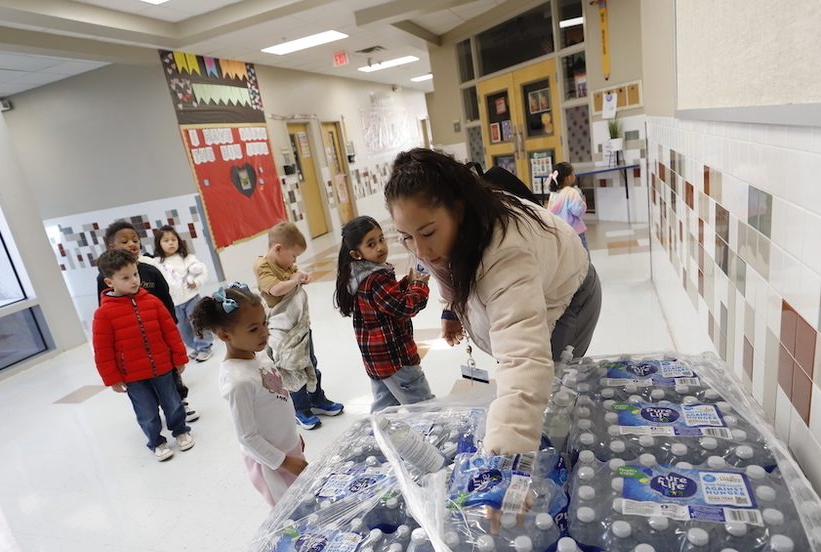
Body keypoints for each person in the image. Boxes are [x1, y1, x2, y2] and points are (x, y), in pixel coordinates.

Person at [385, 148, 602, 456]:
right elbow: (446, 269)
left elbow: (523, 361)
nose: (419, 250)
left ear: (458, 211)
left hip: (569, 294)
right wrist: (451, 309)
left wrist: (504, 457)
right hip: (536, 282)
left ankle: (558, 458)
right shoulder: (441, 227)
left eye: (427, 233)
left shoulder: (505, 253)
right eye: (406, 236)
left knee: (550, 396)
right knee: (534, 394)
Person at [191, 283, 308, 506]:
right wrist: (284, 461)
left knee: (304, 499)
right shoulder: (237, 380)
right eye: (253, 329)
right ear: (225, 336)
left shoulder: (259, 354)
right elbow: (246, 436)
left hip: (287, 448)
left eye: (264, 323)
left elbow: (277, 400)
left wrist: (293, 438)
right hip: (270, 463)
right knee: (288, 511)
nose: (264, 332)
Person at [92, 249, 194, 461]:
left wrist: (178, 357)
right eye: (125, 278)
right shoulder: (103, 314)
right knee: (146, 412)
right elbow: (102, 350)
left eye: (135, 274)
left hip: (163, 367)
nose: (134, 280)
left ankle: (181, 431)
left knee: (173, 403)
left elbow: (170, 332)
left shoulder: (153, 302)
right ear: (109, 282)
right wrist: (112, 378)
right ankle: (156, 442)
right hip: (133, 375)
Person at [96, 221, 198, 422]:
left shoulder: (150, 269)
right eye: (124, 241)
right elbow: (104, 307)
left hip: (156, 333)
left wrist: (171, 324)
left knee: (171, 377)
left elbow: (165, 299)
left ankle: (181, 403)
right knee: (145, 388)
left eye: (135, 240)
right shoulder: (104, 278)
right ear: (111, 247)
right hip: (131, 341)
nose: (131, 244)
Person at [334, 216, 433, 412]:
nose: (380, 247)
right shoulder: (376, 278)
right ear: (356, 254)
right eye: (371, 244)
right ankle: (429, 431)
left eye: (381, 239)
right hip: (395, 358)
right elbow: (404, 307)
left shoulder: (358, 274)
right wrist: (419, 286)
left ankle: (376, 430)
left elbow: (385, 301)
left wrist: (406, 283)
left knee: (385, 408)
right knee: (422, 406)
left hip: (376, 359)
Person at [254, 221, 344, 430]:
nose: (295, 261)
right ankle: (300, 409)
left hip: (301, 328)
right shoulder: (263, 266)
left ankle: (317, 399)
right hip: (283, 332)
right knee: (293, 368)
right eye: (294, 256)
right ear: (278, 248)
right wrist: (295, 279)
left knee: (310, 363)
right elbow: (275, 289)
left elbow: (295, 270)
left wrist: (302, 274)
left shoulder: (284, 263)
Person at [151, 225, 214, 362]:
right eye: (166, 240)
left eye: (173, 239)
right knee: (183, 329)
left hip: (191, 298)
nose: (171, 243)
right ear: (158, 244)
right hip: (173, 303)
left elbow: (203, 271)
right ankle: (195, 347)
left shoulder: (187, 258)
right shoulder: (156, 263)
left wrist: (196, 282)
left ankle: (205, 346)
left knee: (198, 323)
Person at [547, 162, 590, 258]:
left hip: (560, 231)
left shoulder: (553, 193)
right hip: (575, 231)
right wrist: (583, 201)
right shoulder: (572, 192)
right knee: (583, 255)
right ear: (568, 178)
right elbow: (578, 210)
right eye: (573, 173)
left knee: (568, 257)